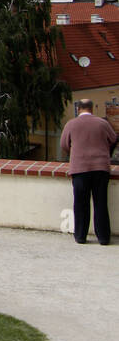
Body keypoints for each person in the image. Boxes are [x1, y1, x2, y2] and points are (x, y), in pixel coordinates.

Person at [59, 99, 117, 245]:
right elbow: (113, 139)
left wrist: (76, 152)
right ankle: (103, 237)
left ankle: (80, 236)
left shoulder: (71, 124)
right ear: (92, 108)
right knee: (100, 203)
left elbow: (64, 145)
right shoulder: (103, 124)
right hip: (100, 168)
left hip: (79, 168)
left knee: (80, 203)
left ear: (78, 109)